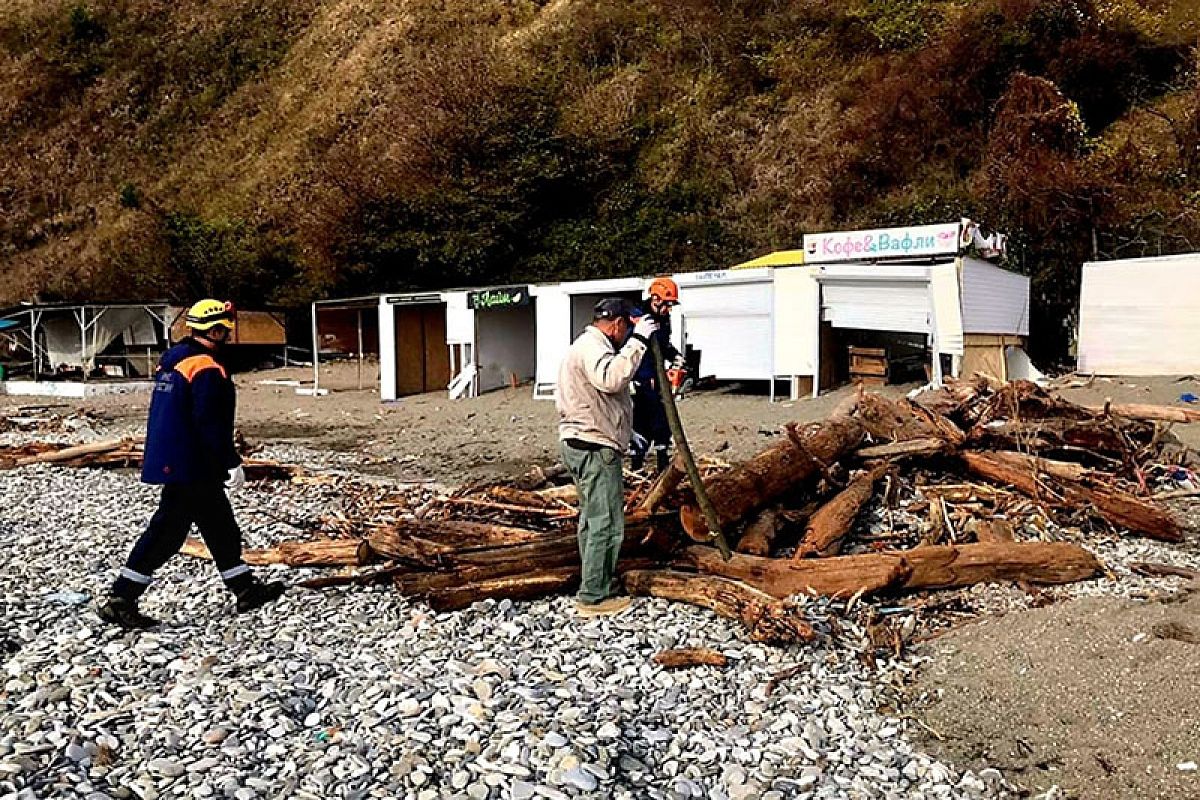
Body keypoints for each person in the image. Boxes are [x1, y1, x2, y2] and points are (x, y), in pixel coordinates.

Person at [98, 299, 285, 630]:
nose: (228, 334)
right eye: (225, 328)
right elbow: (210, 422)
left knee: (220, 526)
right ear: (215, 329)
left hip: (178, 457)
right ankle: (121, 598)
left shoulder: (175, 362)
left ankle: (244, 589)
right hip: (191, 463)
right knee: (166, 533)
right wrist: (230, 461)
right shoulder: (206, 368)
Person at [557, 298, 658, 616]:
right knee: (605, 521)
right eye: (627, 328)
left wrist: (627, 433)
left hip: (585, 438)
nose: (626, 334)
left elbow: (602, 397)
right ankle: (594, 595)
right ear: (617, 324)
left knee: (592, 519)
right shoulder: (593, 347)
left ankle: (596, 582)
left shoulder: (585, 346)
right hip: (593, 445)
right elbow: (611, 378)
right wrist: (640, 341)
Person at [630, 277, 682, 473]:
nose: (669, 309)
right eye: (667, 304)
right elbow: (632, 349)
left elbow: (663, 346)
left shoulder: (664, 319)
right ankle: (636, 466)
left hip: (658, 378)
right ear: (655, 299)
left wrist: (676, 357)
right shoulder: (637, 317)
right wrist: (637, 377)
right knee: (641, 422)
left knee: (662, 419)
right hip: (640, 379)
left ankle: (663, 465)